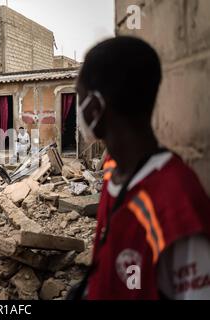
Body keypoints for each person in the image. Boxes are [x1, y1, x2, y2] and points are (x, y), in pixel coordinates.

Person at [70, 36, 210, 300]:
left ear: (96, 107)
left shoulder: (177, 204)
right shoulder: (113, 172)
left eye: (80, 98)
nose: (78, 111)